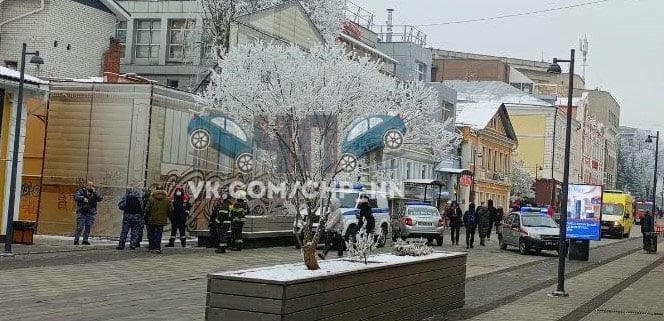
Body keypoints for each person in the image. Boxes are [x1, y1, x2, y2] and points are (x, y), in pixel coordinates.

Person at [145, 186, 173, 254]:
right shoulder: (167, 199)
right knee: (159, 234)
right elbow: (171, 209)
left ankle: (151, 247)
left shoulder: (151, 199)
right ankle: (158, 248)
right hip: (161, 220)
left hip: (151, 219)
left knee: (151, 234)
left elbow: (147, 209)